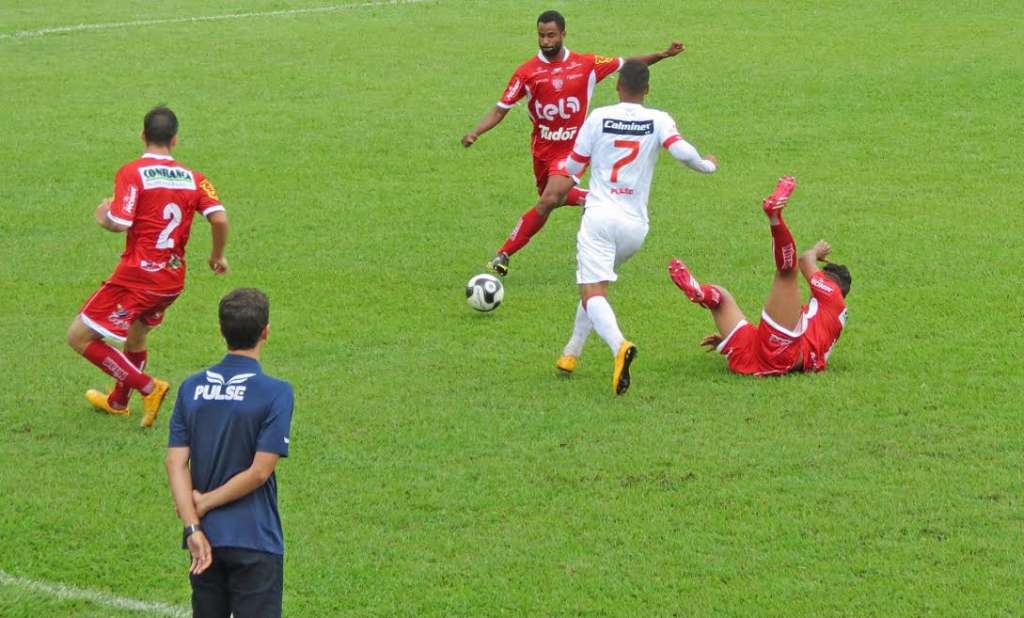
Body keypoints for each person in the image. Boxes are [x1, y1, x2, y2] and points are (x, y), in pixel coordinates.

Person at [460, 9, 685, 276]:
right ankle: (596, 198)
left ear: (563, 34)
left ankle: (503, 254)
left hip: (572, 151)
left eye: (551, 35)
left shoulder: (586, 64)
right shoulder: (527, 73)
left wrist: (662, 54)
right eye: (541, 36)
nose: (546, 41)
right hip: (542, 151)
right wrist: (476, 132)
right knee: (552, 197)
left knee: (548, 200)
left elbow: (627, 64)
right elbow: (500, 109)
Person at [555, 60, 717, 395]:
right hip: (634, 228)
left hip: (599, 218)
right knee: (594, 286)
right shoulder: (658, 119)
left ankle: (619, 346)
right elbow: (681, 151)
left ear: (617, 86)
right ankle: (571, 353)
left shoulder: (599, 117)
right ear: (647, 89)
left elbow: (572, 166)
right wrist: (706, 166)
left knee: (592, 290)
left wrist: (564, 173)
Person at [66, 106, 229, 427]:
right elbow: (220, 219)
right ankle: (118, 402)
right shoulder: (195, 179)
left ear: (142, 135)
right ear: (175, 139)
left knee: (79, 338)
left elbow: (120, 222)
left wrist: (103, 216)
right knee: (137, 336)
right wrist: (217, 255)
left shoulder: (133, 172)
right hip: (171, 280)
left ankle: (149, 387)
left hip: (137, 278)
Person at [166, 288, 294, 618]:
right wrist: (205, 502)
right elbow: (259, 472)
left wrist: (192, 526)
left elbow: (176, 463)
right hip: (255, 537)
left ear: (221, 331)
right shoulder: (276, 393)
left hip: (204, 538)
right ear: (266, 332)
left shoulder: (191, 387)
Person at [668, 176, 852, 376]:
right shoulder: (829, 325)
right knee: (721, 299)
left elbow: (805, 261)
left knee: (787, 273)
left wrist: (816, 252)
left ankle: (775, 216)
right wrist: (726, 342)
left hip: (780, 352)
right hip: (755, 358)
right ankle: (701, 294)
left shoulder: (833, 295)